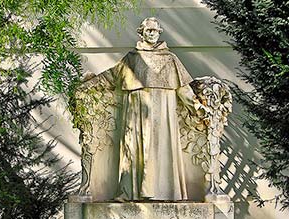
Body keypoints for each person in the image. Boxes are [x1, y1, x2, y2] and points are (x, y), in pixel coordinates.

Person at [81, 17, 202, 201]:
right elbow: (112, 76)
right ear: (141, 32)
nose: (152, 33)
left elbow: (183, 88)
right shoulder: (132, 58)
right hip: (137, 111)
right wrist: (92, 82)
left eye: (155, 30)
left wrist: (197, 107)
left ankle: (165, 191)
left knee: (161, 148)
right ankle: (130, 192)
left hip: (163, 112)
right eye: (148, 30)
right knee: (134, 147)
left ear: (160, 32)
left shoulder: (170, 60)